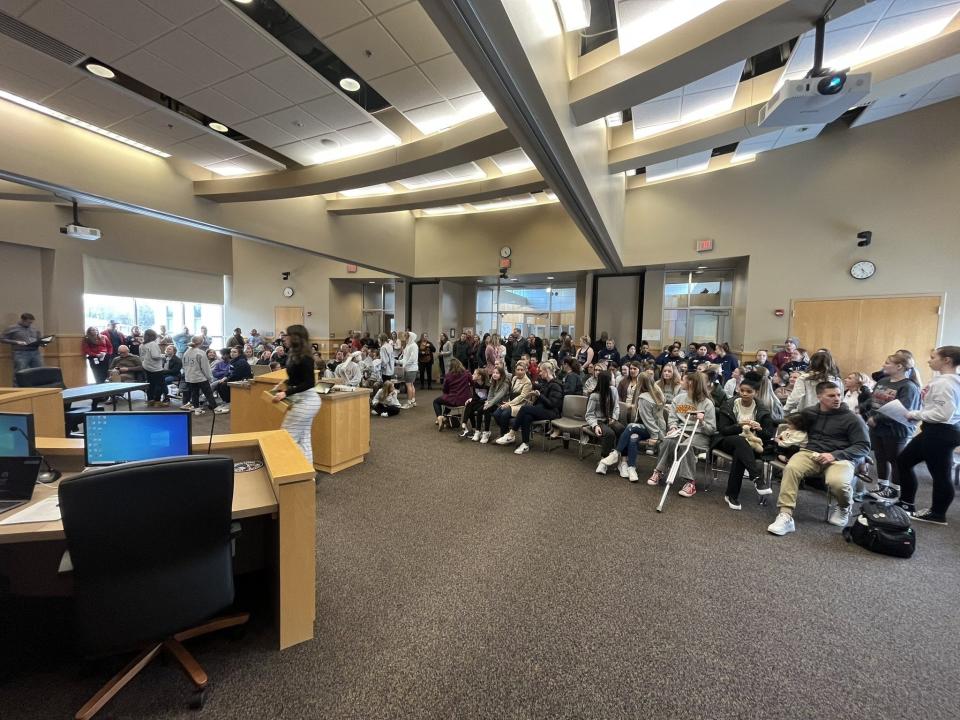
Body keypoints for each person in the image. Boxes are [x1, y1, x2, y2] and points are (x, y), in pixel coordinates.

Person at [767, 381, 871, 536]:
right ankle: (786, 515)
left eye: (838, 395)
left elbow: (863, 446)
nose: (836, 398)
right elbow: (789, 422)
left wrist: (834, 455)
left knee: (836, 482)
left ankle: (844, 506)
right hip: (811, 453)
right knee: (791, 469)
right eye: (831, 395)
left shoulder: (852, 419)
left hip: (840, 457)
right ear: (819, 397)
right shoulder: (810, 413)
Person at [896, 346, 960, 524]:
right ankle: (906, 503)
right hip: (934, 431)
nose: (929, 360)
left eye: (933, 357)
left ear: (946, 360)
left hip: (941, 433)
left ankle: (938, 514)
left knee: (941, 475)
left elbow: (943, 414)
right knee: (904, 461)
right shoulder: (947, 381)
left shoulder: (945, 383)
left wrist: (914, 414)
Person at [862, 352, 922, 501]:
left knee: (895, 460)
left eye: (887, 363)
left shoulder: (908, 386)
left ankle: (894, 491)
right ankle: (883, 486)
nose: (883, 365)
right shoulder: (883, 381)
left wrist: (876, 419)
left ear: (899, 366)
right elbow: (872, 402)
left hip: (896, 430)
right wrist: (867, 415)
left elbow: (903, 410)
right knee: (880, 457)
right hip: (876, 427)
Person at [646, 372, 717, 498]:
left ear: (691, 383)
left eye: (683, 380)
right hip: (681, 430)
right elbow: (672, 417)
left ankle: (690, 482)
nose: (680, 382)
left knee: (686, 446)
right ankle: (659, 471)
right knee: (668, 441)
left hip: (700, 434)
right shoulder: (678, 399)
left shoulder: (707, 403)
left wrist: (702, 421)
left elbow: (711, 430)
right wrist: (673, 427)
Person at [713, 377, 777, 510]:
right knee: (740, 442)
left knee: (740, 452)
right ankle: (756, 478)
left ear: (756, 393)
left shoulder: (762, 409)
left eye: (749, 391)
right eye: (742, 390)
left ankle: (731, 495)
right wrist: (739, 425)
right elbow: (723, 430)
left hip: (751, 444)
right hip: (727, 441)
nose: (744, 393)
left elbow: (768, 435)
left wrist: (760, 429)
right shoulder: (729, 404)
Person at [268, 325, 321, 461]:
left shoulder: (305, 357)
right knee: (304, 439)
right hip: (303, 401)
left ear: (295, 337)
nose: (284, 338)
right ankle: (308, 475)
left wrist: (286, 393)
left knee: (285, 438)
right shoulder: (293, 353)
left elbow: (309, 382)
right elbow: (296, 378)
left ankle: (296, 472)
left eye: (287, 335)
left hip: (307, 402)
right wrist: (283, 383)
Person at [497, 363, 563, 455]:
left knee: (524, 409)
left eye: (540, 371)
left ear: (547, 371)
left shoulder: (556, 385)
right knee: (526, 416)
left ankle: (511, 434)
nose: (539, 373)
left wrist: (539, 395)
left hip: (551, 412)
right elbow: (537, 387)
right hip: (542, 409)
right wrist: (536, 393)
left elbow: (552, 404)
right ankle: (525, 444)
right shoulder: (546, 383)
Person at [610, 373, 665, 481]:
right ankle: (631, 468)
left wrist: (654, 436)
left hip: (652, 429)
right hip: (648, 427)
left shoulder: (644, 398)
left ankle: (616, 454)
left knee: (630, 426)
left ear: (641, 383)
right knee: (633, 438)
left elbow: (649, 421)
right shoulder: (657, 392)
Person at [783, 350, 842, 415]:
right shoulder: (837, 380)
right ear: (830, 363)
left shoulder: (804, 379)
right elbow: (840, 399)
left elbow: (795, 398)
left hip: (809, 415)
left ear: (812, 363)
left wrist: (785, 411)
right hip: (830, 415)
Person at [587, 371, 623, 474]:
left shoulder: (613, 390)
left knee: (622, 429)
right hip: (599, 421)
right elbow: (589, 414)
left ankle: (619, 458)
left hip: (611, 419)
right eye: (612, 378)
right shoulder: (594, 396)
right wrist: (595, 426)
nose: (614, 379)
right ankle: (603, 460)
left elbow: (616, 406)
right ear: (607, 381)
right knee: (609, 434)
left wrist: (614, 418)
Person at [492, 361, 533, 441]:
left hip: (520, 405)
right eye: (518, 369)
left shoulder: (528, 382)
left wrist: (509, 404)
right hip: (511, 402)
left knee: (504, 415)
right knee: (496, 414)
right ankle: (507, 434)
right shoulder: (514, 378)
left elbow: (522, 397)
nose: (520, 371)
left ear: (525, 370)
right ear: (515, 370)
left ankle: (504, 435)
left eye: (522, 370)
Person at [181, 335, 221, 415]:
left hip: (190, 377)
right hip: (200, 377)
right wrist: (210, 378)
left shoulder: (186, 352)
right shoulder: (201, 353)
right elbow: (205, 368)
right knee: (208, 393)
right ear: (201, 342)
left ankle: (197, 410)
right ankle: (216, 408)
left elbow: (184, 365)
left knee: (194, 393)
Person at [2, 312, 45, 383]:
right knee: (20, 372)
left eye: (31, 323)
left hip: (35, 352)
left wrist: (42, 342)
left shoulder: (34, 329)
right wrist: (16, 342)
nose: (30, 324)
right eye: (28, 322)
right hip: (21, 353)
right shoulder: (12, 328)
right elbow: (2, 339)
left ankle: (38, 389)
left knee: (39, 371)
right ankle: (18, 390)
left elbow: (38, 338)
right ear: (22, 320)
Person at [433, 358, 472, 426]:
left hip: (453, 400)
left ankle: (440, 417)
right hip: (466, 400)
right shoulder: (467, 373)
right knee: (447, 399)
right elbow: (472, 383)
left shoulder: (448, 375)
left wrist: (447, 394)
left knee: (436, 401)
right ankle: (444, 417)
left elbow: (445, 389)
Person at [460, 368, 491, 439]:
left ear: (479, 376)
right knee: (469, 404)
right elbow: (475, 396)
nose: (472, 375)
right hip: (479, 402)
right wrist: (471, 399)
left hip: (486, 403)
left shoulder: (487, 385)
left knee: (472, 405)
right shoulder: (475, 384)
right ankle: (466, 424)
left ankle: (476, 429)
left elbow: (489, 398)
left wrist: (474, 400)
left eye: (474, 374)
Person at [139, 330, 165, 407]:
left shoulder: (142, 345)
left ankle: (150, 400)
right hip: (155, 368)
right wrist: (164, 356)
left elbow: (141, 357)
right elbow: (155, 356)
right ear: (153, 336)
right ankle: (157, 401)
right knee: (160, 385)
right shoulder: (153, 344)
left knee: (150, 384)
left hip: (146, 366)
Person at [400, 331, 420, 409]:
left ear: (410, 337)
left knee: (409, 385)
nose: (405, 338)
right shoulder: (409, 345)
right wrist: (398, 361)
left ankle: (409, 402)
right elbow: (405, 358)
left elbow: (412, 359)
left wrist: (405, 364)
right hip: (410, 368)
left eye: (406, 337)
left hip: (411, 368)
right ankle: (413, 401)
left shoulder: (413, 346)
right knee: (411, 385)